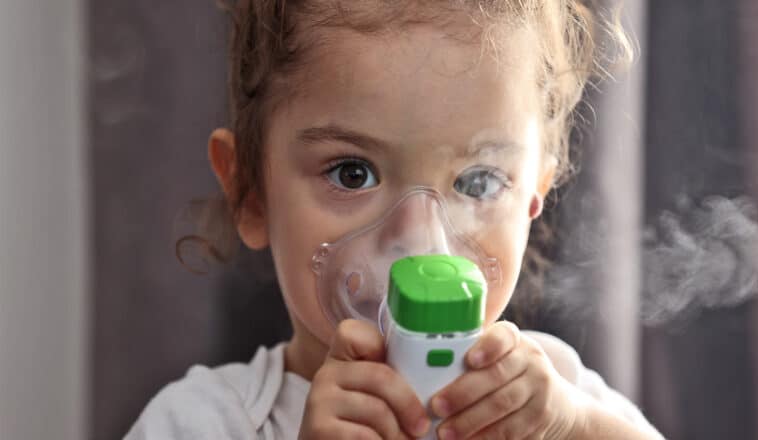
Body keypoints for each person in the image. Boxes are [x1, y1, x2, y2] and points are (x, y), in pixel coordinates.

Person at [126, 1, 664, 439]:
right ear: (251, 196)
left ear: (533, 197)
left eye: (477, 181)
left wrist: (577, 427)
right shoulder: (204, 422)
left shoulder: (561, 403)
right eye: (353, 173)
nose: (418, 241)